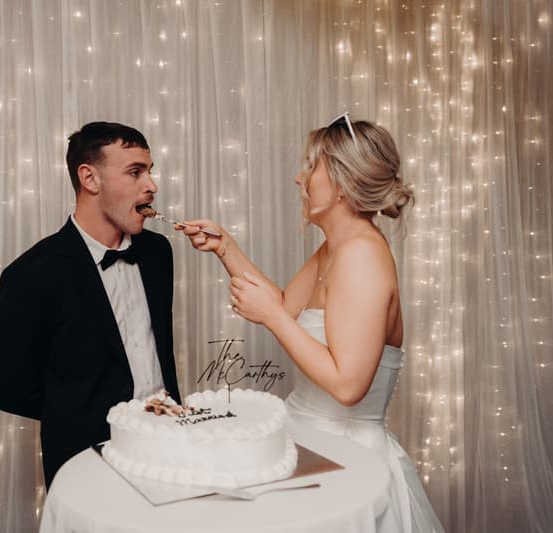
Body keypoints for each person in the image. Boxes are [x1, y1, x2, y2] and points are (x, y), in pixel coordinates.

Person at [179, 114, 444, 532]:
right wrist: (225, 248)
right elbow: (285, 304)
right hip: (300, 441)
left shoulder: (362, 257)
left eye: (310, 167)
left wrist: (270, 318)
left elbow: (348, 385)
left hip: (345, 458)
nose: (298, 179)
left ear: (341, 182)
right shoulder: (334, 248)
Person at [0, 121, 180, 487]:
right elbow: (11, 390)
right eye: (135, 172)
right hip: (85, 463)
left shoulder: (159, 253)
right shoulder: (30, 274)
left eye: (150, 172)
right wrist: (82, 415)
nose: (152, 186)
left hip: (167, 448)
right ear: (90, 179)